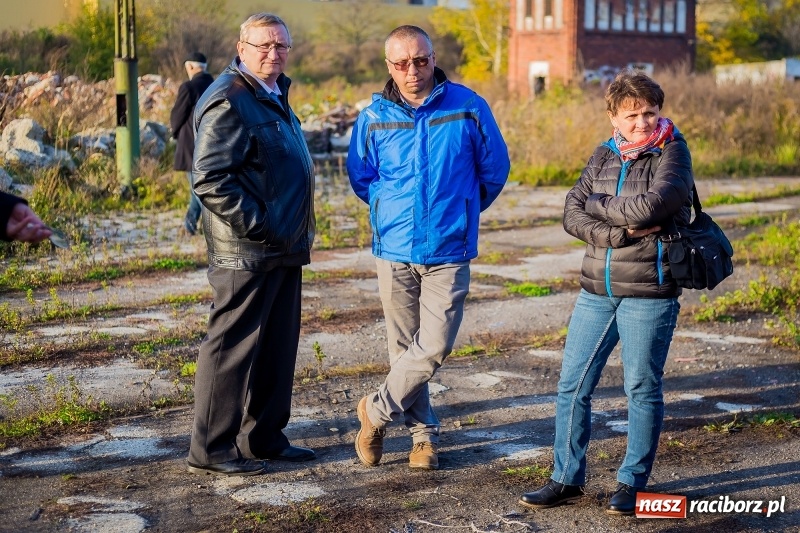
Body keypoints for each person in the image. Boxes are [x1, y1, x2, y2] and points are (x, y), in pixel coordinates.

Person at [518, 69, 693, 515]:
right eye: (632, 115)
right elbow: (571, 212)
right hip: (597, 288)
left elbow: (655, 205)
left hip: (649, 291)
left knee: (640, 387)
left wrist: (598, 207)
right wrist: (619, 232)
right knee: (572, 385)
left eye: (650, 113)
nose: (643, 123)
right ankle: (565, 478)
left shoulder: (672, 150)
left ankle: (632, 484)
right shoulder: (603, 154)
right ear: (613, 116)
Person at [347, 25, 510, 471]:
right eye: (402, 63)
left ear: (433, 58)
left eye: (420, 60)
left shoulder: (468, 107)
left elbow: (494, 170)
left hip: (448, 247)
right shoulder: (373, 117)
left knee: (433, 345)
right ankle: (423, 438)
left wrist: (461, 210)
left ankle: (373, 412)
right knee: (403, 350)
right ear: (389, 67)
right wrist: (389, 209)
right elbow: (362, 179)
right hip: (394, 248)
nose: (412, 70)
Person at [186, 12, 316, 476]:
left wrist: (286, 232)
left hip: (283, 245)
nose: (272, 54)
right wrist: (262, 226)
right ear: (241, 48)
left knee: (278, 346)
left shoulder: (273, 93)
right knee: (232, 347)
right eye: (262, 45)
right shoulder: (229, 98)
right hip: (248, 247)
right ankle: (211, 448)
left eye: (281, 46)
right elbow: (211, 178)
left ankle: (265, 437)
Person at [170, 52, 214, 236]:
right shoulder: (215, 86)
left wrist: (175, 133)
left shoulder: (188, 87)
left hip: (192, 146)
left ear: (190, 67)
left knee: (198, 190)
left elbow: (177, 116)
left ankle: (197, 226)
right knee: (203, 188)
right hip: (213, 144)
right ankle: (196, 226)